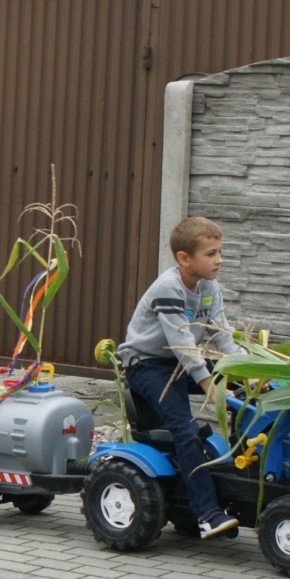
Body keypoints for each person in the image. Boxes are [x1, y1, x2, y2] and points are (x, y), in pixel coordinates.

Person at [118, 216, 241, 539]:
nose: (219, 260)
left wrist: (247, 371)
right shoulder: (168, 289)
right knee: (184, 429)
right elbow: (182, 344)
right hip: (148, 365)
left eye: (220, 252)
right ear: (184, 258)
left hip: (181, 362)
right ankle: (208, 514)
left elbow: (222, 335)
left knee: (244, 392)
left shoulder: (209, 287)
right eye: (211, 254)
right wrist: (207, 385)